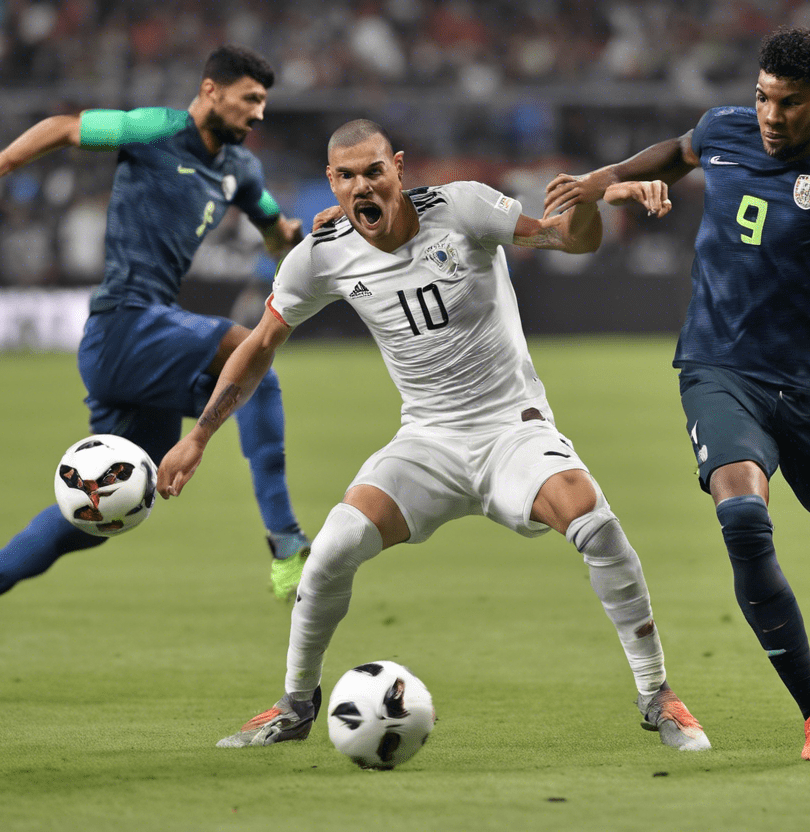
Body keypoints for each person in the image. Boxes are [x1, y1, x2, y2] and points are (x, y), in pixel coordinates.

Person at [158, 119, 711, 753]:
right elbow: (258, 346)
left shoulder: (461, 206)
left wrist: (588, 201)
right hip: (426, 443)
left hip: (512, 431)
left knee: (595, 523)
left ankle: (656, 693)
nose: (361, 186)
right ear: (330, 184)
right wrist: (199, 435)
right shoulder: (322, 255)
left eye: (373, 171)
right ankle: (295, 705)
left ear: (397, 167)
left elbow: (569, 242)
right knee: (335, 544)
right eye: (345, 176)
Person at [543, 26, 810, 760]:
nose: (771, 115)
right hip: (720, 369)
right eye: (763, 97)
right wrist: (603, 178)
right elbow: (677, 153)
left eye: (790, 103)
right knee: (743, 518)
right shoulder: (726, 130)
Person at [0, 45, 313, 695]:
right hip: (125, 324)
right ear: (210, 90)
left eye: (264, 102)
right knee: (251, 357)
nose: (259, 113)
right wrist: (1, 163)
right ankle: (287, 546)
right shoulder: (156, 129)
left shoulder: (240, 168)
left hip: (136, 347)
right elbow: (68, 128)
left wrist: (292, 238)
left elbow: (272, 232)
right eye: (249, 99)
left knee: (106, 508)